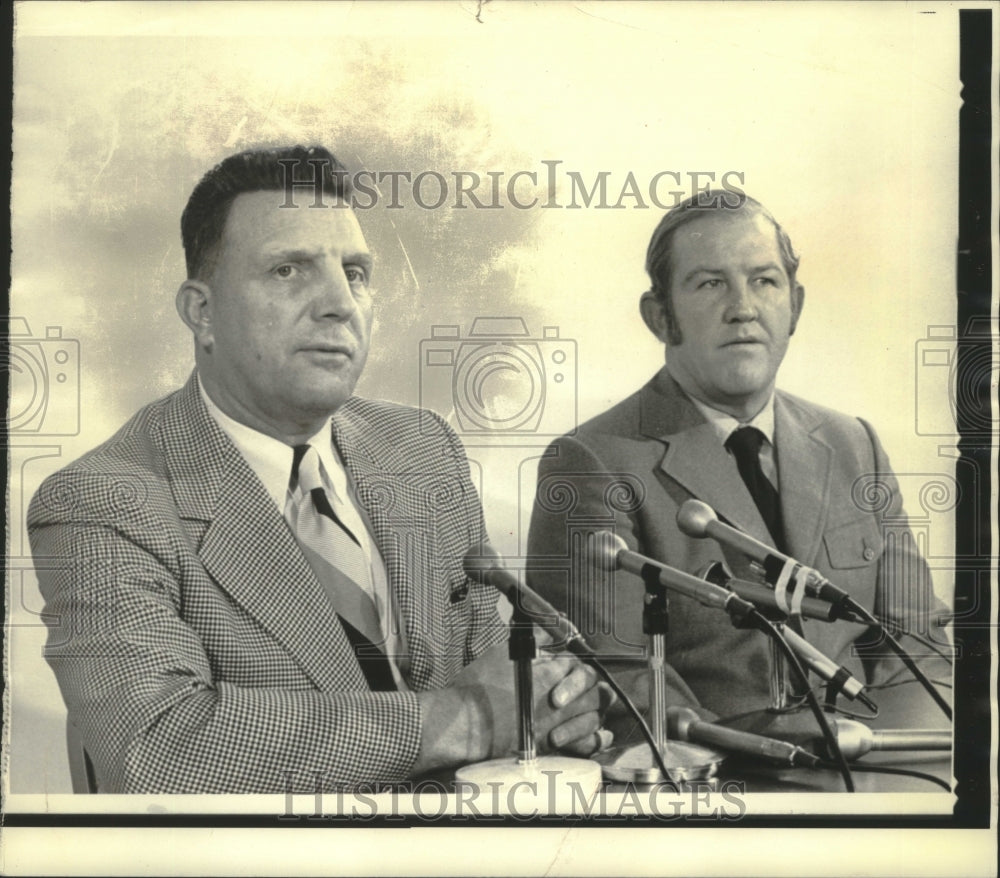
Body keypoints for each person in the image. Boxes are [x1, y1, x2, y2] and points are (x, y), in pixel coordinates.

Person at [28, 146, 607, 794]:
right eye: (288, 270)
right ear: (201, 312)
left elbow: (491, 676)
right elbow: (159, 748)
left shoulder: (420, 449)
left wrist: (545, 717)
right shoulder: (101, 502)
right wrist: (467, 720)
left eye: (355, 272)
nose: (339, 302)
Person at [527, 190, 951, 735]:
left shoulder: (854, 443)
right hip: (720, 789)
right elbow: (615, 676)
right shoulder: (592, 463)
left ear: (794, 305)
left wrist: (906, 757)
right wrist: (777, 750)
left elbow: (918, 644)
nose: (743, 307)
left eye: (764, 281)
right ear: (660, 317)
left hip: (880, 770)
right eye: (710, 283)